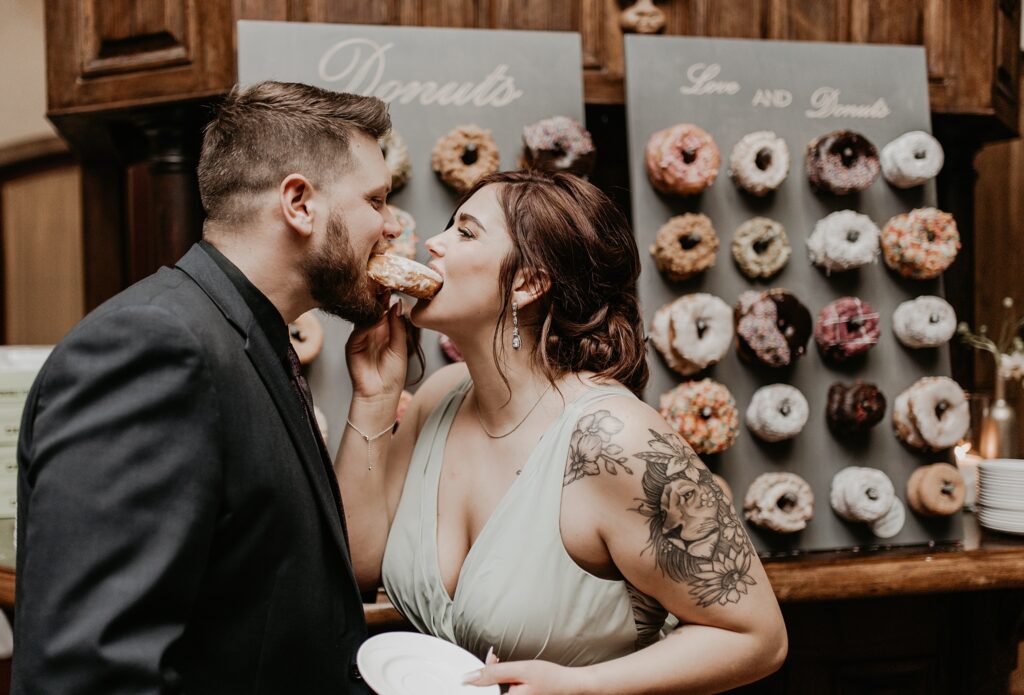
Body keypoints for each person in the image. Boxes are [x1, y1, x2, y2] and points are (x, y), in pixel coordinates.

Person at [13, 81, 407, 694]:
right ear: (299, 203)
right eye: (377, 200)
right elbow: (90, 669)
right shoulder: (154, 346)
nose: (390, 227)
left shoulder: (247, 335)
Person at [341, 169, 788, 693]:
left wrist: (584, 687)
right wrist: (374, 399)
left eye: (464, 232)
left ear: (527, 283)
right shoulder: (439, 397)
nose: (432, 244)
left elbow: (757, 638)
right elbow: (357, 565)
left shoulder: (614, 440)